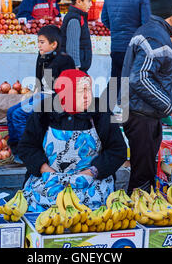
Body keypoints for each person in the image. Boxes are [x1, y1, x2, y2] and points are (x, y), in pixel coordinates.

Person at [18, 69, 127, 211]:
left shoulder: (100, 113)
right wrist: (45, 170)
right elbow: (27, 147)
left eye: (90, 90)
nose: (88, 96)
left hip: (90, 183)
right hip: (50, 181)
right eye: (82, 91)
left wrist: (92, 172)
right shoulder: (44, 111)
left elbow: (117, 150)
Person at [121, 0, 172, 195]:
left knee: (143, 173)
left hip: (140, 112)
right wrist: (171, 108)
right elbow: (140, 77)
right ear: (169, 11)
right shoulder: (156, 36)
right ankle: (136, 219)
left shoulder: (151, 31)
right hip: (141, 115)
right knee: (142, 179)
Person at [7, 25, 75, 155]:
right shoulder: (42, 56)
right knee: (11, 112)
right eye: (38, 42)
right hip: (42, 95)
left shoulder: (65, 60)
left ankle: (26, 151)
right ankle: (15, 148)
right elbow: (39, 78)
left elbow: (67, 88)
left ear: (54, 44)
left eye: (42, 42)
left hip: (54, 98)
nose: (39, 45)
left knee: (19, 115)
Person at [101, 0, 151, 106]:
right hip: (135, 48)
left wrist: (117, 30)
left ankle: (108, 117)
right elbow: (146, 23)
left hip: (116, 46)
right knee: (133, 85)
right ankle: (129, 120)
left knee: (115, 81)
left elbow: (105, 19)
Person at [60, 0, 95, 72]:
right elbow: (72, 46)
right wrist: (75, 67)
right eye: (89, 1)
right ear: (79, 1)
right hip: (76, 68)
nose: (91, 4)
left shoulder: (79, 17)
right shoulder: (75, 19)